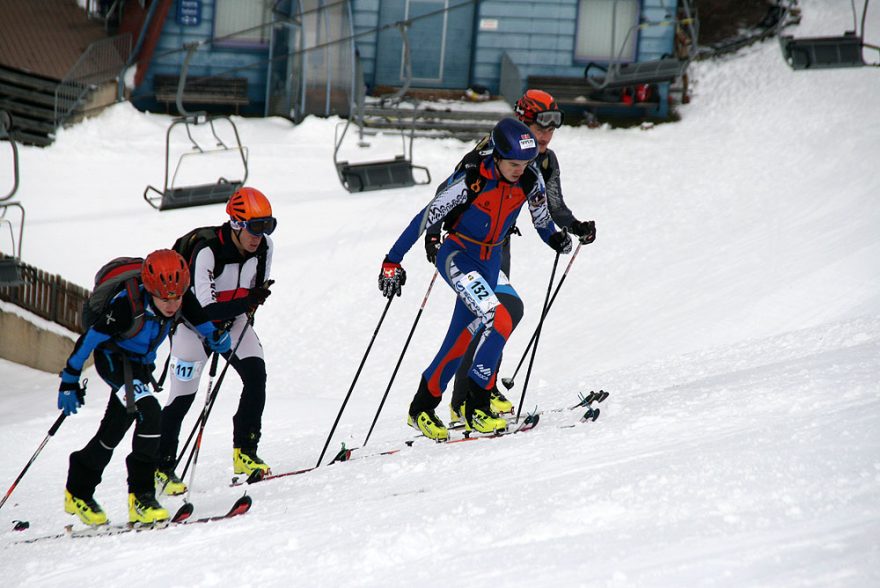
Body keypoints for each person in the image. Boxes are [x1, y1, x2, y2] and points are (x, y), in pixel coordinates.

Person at [378, 117, 572, 441]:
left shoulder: (529, 179)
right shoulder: (471, 180)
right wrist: (391, 261)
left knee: (461, 338)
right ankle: (476, 406)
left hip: (490, 260)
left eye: (524, 163)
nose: (519, 169)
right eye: (512, 163)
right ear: (496, 155)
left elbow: (541, 221)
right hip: (457, 256)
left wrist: (557, 239)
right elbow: (423, 219)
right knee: (499, 318)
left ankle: (421, 408)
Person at [425, 89, 597, 423]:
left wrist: (575, 227)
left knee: (496, 317)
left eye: (551, 129)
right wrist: (433, 235)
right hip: (467, 246)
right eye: (538, 127)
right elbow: (447, 190)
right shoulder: (492, 151)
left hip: (499, 247)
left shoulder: (545, 160)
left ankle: (481, 389)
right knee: (494, 314)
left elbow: (553, 206)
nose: (545, 135)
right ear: (521, 121)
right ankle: (464, 399)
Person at [59, 250, 231, 526]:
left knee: (114, 429)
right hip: (114, 360)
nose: (172, 304)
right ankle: (141, 496)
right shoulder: (126, 306)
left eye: (177, 297)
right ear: (150, 290)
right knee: (150, 414)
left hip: (139, 365)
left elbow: (204, 324)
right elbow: (90, 340)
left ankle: (77, 490)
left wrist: (217, 338)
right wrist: (69, 378)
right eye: (165, 299)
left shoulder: (180, 296)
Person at [156, 187, 275, 494]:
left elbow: (251, 299)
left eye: (267, 226)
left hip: (233, 322)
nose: (259, 236)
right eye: (254, 227)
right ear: (236, 223)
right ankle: (162, 466)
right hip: (193, 327)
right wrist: (247, 301)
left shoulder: (265, 248)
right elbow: (205, 308)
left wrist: (248, 305)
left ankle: (245, 452)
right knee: (183, 397)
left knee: (256, 376)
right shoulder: (207, 250)